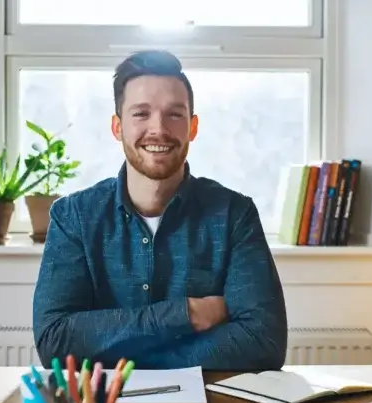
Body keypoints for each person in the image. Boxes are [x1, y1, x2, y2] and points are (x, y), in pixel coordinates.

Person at [32, 50, 288, 370]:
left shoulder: (235, 215)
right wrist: (186, 315)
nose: (159, 129)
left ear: (192, 127)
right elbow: (54, 341)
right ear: (117, 127)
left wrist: (121, 353)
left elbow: (264, 343)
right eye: (141, 113)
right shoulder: (73, 218)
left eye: (174, 114)